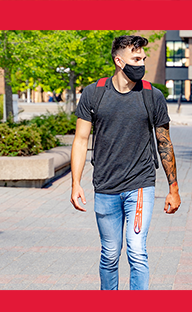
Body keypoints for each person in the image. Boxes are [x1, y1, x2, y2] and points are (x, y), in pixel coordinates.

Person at [70, 35, 181, 290]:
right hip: (106, 186)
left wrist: (173, 189)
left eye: (143, 58)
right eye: (136, 58)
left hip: (140, 185)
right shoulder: (94, 93)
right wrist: (76, 183)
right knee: (109, 254)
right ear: (119, 61)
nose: (141, 63)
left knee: (137, 251)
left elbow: (164, 142)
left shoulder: (152, 95)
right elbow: (80, 140)